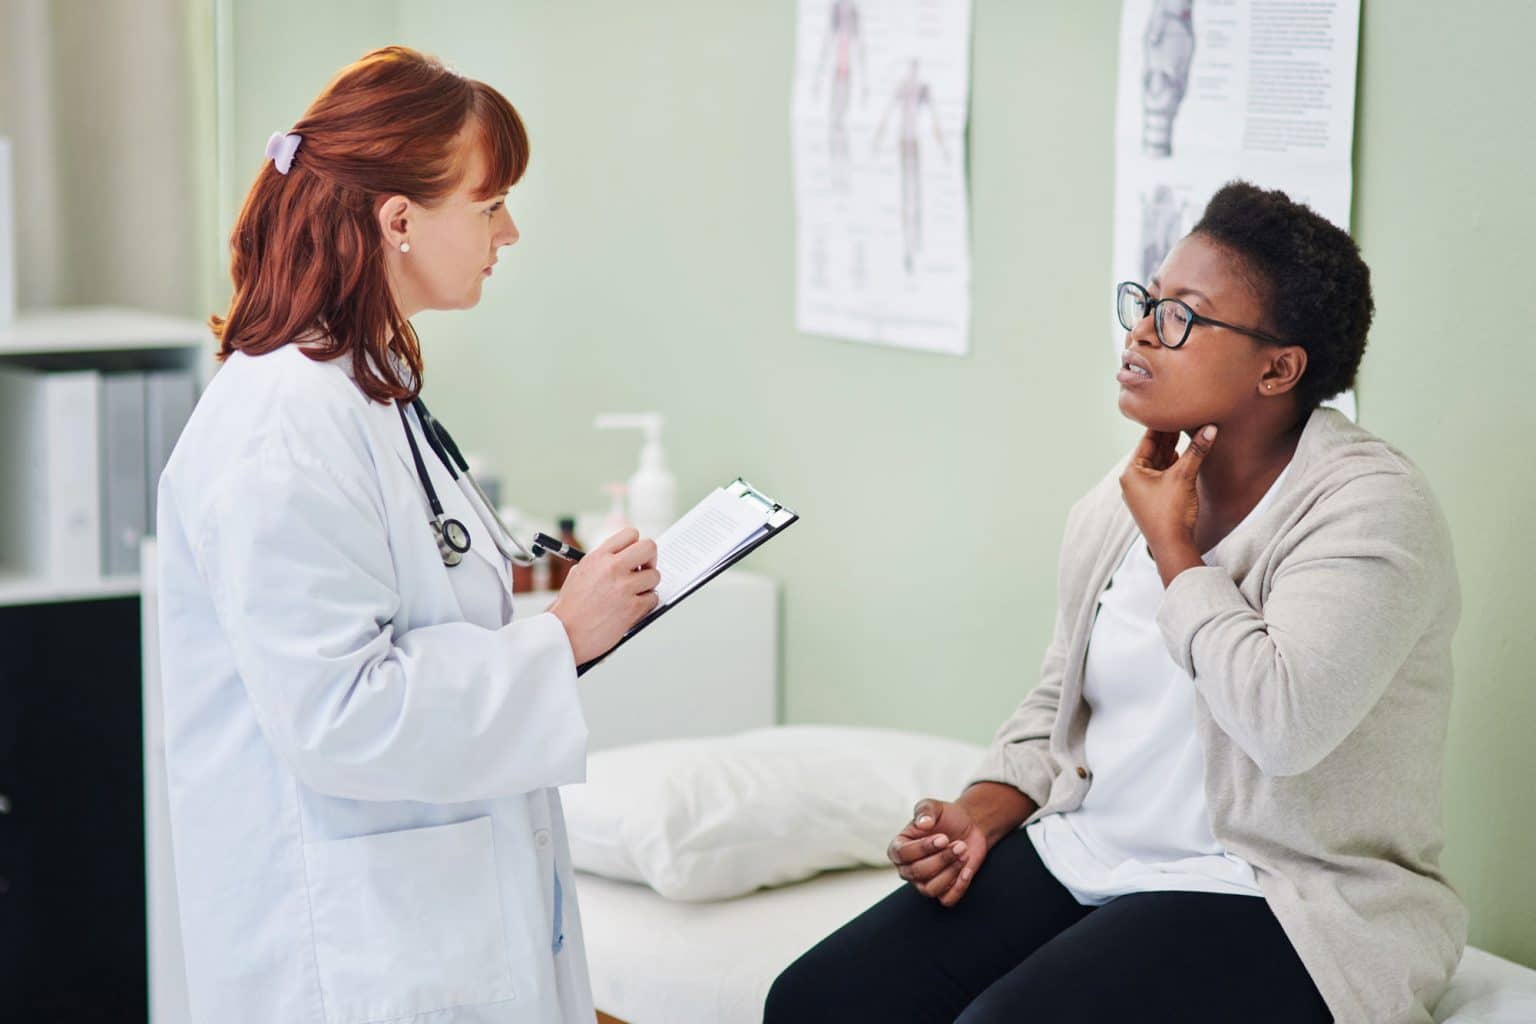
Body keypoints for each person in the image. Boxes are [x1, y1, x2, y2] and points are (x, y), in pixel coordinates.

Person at [766, 181, 1466, 1023]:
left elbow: (1284, 723)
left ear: (1279, 369)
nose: (1141, 331)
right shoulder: (1122, 499)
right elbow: (1060, 702)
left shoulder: (1370, 507)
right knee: (818, 1001)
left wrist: (1177, 551)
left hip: (1278, 894)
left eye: (1183, 317)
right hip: (1095, 849)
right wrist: (982, 811)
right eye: (1147, 301)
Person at [156, 46, 658, 1023]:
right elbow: (341, 713)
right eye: (489, 203)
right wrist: (562, 636)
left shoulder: (366, 388)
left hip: (424, 911)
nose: (507, 231)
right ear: (398, 220)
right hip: (348, 952)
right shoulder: (283, 427)